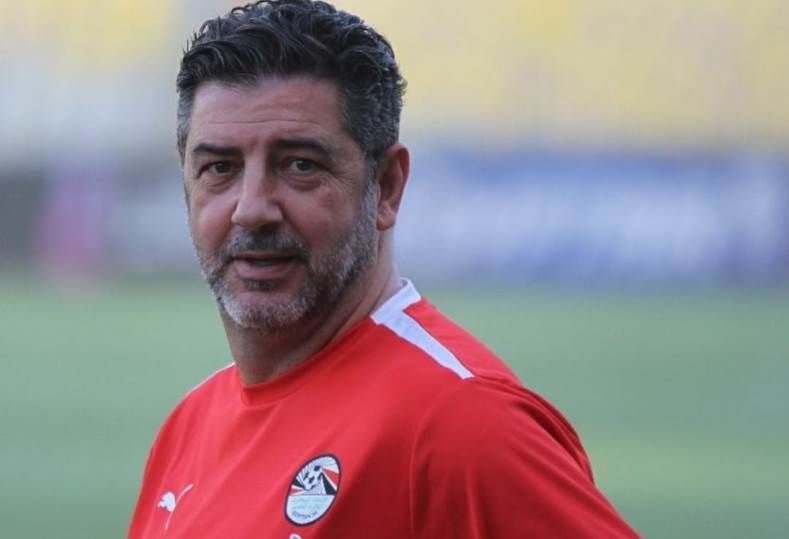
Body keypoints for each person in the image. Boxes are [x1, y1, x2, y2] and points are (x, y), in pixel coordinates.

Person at [128, 1, 640, 537]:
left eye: (300, 165)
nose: (252, 208)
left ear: (387, 187)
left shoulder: (462, 423)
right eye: (219, 168)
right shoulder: (189, 426)